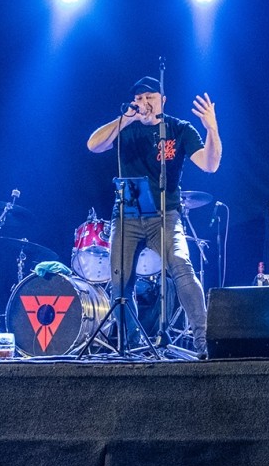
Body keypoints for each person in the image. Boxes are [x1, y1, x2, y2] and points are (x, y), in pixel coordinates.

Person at [87, 76, 221, 359]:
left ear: (163, 100)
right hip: (127, 215)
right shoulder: (126, 128)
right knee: (119, 283)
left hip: (166, 215)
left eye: (150, 97)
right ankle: (132, 345)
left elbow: (210, 164)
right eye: (139, 98)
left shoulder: (179, 129)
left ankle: (205, 342)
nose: (144, 102)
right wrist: (125, 119)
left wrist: (212, 129)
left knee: (182, 266)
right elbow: (93, 145)